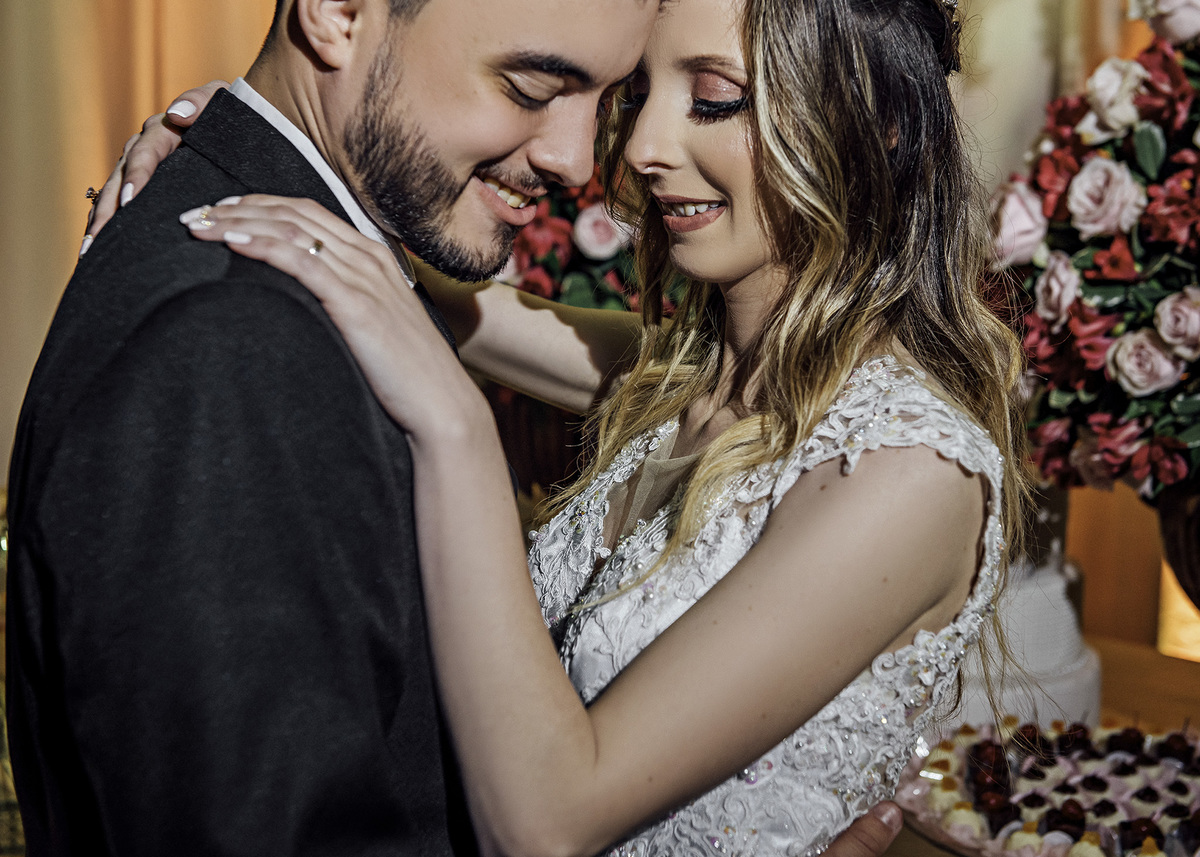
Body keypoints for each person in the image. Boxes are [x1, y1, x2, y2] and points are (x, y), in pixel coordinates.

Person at [106, 0, 1032, 853]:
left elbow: (547, 823)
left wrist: (460, 432)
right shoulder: (677, 381)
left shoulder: (906, 468)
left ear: (877, 124)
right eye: (640, 95)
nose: (641, 149)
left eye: (714, 98)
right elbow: (426, 298)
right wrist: (253, 145)